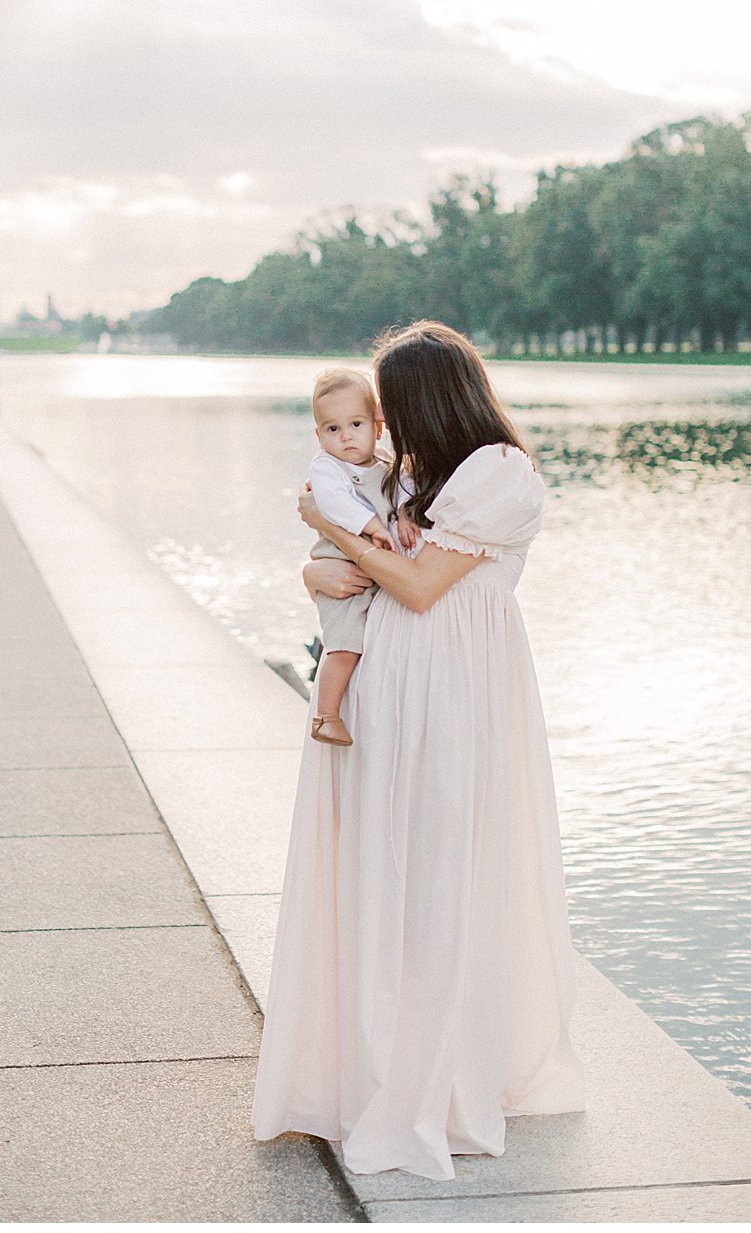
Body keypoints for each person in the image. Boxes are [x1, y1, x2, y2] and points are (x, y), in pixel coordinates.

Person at [251, 320, 586, 1182]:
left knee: (439, 876)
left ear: (431, 398)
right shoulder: (418, 474)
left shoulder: (497, 472)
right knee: (379, 874)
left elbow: (423, 584)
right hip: (392, 689)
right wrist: (311, 565)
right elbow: (361, 565)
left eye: (392, 405)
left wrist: (331, 529)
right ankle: (369, 1068)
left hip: (455, 695)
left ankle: (434, 1080)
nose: (381, 424)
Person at [307, 367, 417, 747]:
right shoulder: (328, 468)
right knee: (345, 642)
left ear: (377, 428)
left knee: (370, 643)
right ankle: (325, 715)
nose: (346, 437)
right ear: (319, 435)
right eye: (332, 429)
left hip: (374, 572)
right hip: (342, 571)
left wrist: (403, 515)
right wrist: (372, 525)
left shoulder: (387, 465)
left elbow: (405, 491)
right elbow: (334, 505)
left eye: (356, 424)